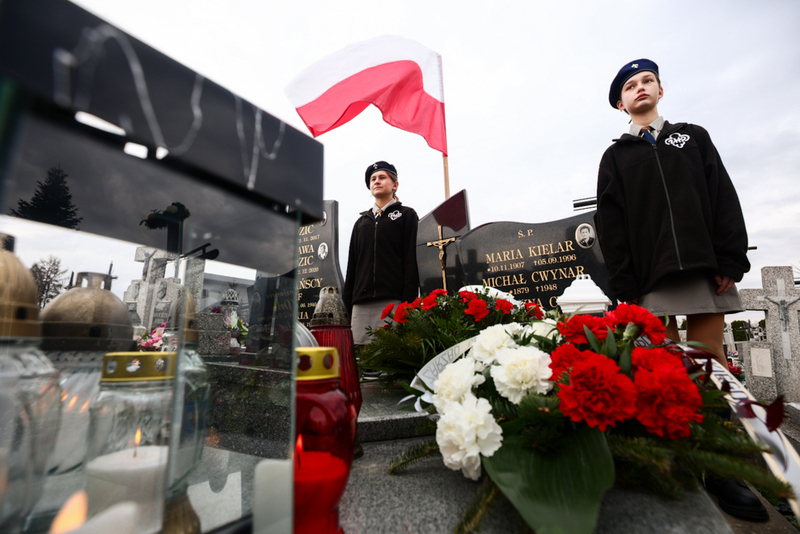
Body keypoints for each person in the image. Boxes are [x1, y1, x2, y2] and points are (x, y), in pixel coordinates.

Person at [597, 59, 761, 521]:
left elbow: (723, 196)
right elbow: (612, 227)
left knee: (712, 368)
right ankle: (674, 462)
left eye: (647, 80)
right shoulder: (616, 158)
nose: (640, 88)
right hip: (653, 278)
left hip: (707, 270)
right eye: (630, 86)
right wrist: (625, 286)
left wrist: (731, 258)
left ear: (661, 90)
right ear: (620, 103)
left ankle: (723, 467)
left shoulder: (694, 137)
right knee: (664, 372)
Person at [343, 161, 420, 346]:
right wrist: (346, 306)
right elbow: (352, 266)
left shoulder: (407, 216)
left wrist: (408, 302)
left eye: (382, 177)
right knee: (363, 361)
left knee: (391, 355)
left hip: (393, 301)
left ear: (394, 185)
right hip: (361, 304)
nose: (376, 181)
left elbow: (412, 260)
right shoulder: (361, 223)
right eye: (373, 179)